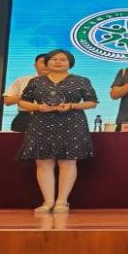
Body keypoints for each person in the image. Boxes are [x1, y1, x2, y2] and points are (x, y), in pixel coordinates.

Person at [17, 49, 98, 214]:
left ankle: (62, 201)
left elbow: (92, 102)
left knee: (67, 162)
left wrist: (72, 105)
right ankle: (47, 202)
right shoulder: (36, 81)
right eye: (54, 59)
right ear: (47, 62)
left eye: (63, 59)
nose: (58, 62)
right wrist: (37, 107)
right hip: (41, 123)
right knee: (43, 162)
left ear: (70, 63)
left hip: (72, 123)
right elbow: (23, 102)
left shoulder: (81, 80)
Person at [3, 53, 49, 132]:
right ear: (35, 65)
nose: (46, 65)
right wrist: (26, 95)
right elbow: (7, 101)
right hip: (25, 118)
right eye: (42, 62)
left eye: (48, 62)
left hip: (52, 118)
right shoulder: (22, 80)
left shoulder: (63, 82)